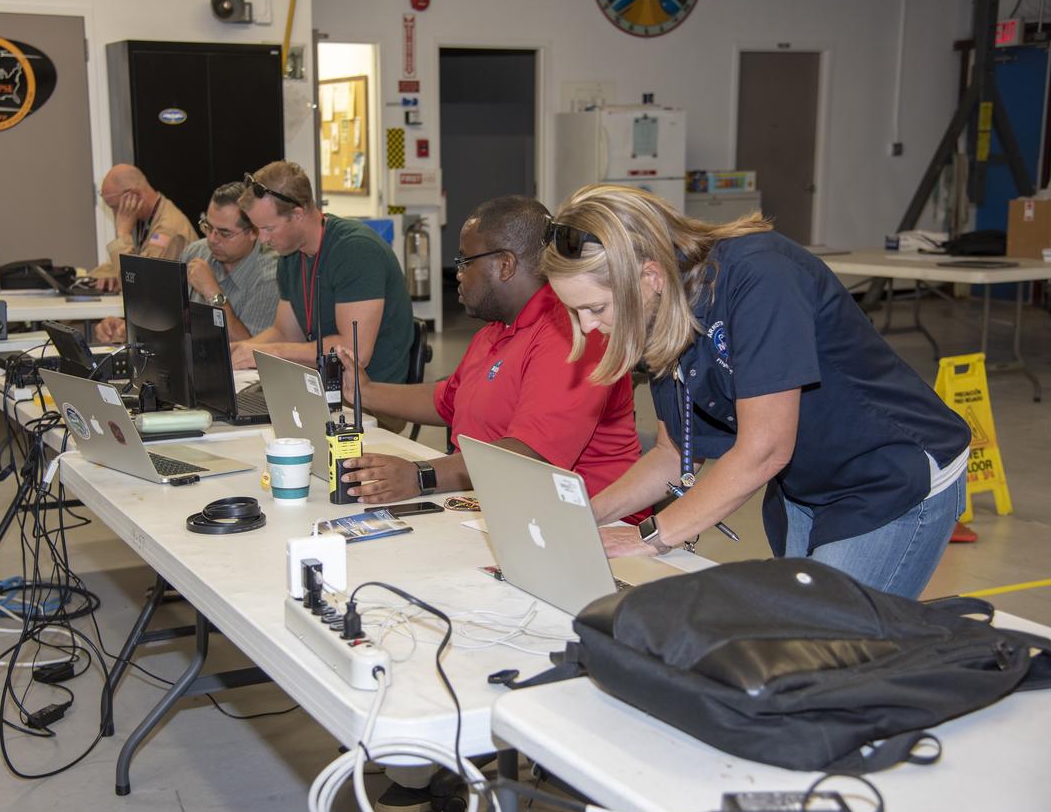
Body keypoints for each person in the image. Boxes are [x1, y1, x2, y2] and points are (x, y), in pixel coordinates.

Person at [541, 184, 970, 598]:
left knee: (833, 647)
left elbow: (764, 450)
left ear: (649, 275)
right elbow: (672, 455)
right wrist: (584, 516)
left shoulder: (760, 276)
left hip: (889, 476)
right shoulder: (663, 307)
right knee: (797, 640)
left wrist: (652, 536)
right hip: (806, 483)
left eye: (595, 308)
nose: (587, 327)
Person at [335, 196, 646, 515]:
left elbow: (527, 456)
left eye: (465, 261)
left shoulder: (575, 336)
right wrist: (365, 391)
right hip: (499, 504)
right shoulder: (495, 331)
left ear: (505, 265)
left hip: (586, 527)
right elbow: (447, 401)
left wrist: (420, 475)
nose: (458, 273)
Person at [229, 161, 413, 384]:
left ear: (298, 214)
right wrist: (242, 350)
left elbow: (355, 353)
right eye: (258, 229)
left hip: (372, 397)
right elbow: (286, 333)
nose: (263, 239)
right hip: (320, 384)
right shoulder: (290, 255)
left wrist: (271, 352)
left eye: (268, 228)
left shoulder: (356, 251)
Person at [94, 181, 278, 343]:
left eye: (224, 233)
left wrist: (213, 293)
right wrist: (129, 330)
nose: (212, 239)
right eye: (208, 227)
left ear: (254, 232)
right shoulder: (195, 252)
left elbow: (251, 354)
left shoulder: (269, 276)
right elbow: (167, 322)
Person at [88, 164, 197, 293]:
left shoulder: (167, 230)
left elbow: (140, 286)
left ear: (133, 195)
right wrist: (108, 276)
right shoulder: (151, 218)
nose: (116, 216)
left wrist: (123, 233)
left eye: (114, 207)